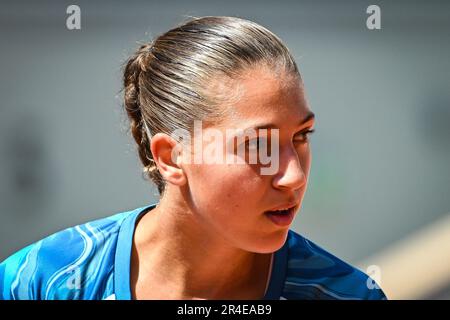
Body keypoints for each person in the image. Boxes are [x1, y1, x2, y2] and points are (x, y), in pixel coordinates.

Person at [0, 16, 386, 300]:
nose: (293, 176)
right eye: (258, 144)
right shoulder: (38, 281)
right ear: (172, 156)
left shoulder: (346, 294)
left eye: (301, 136)